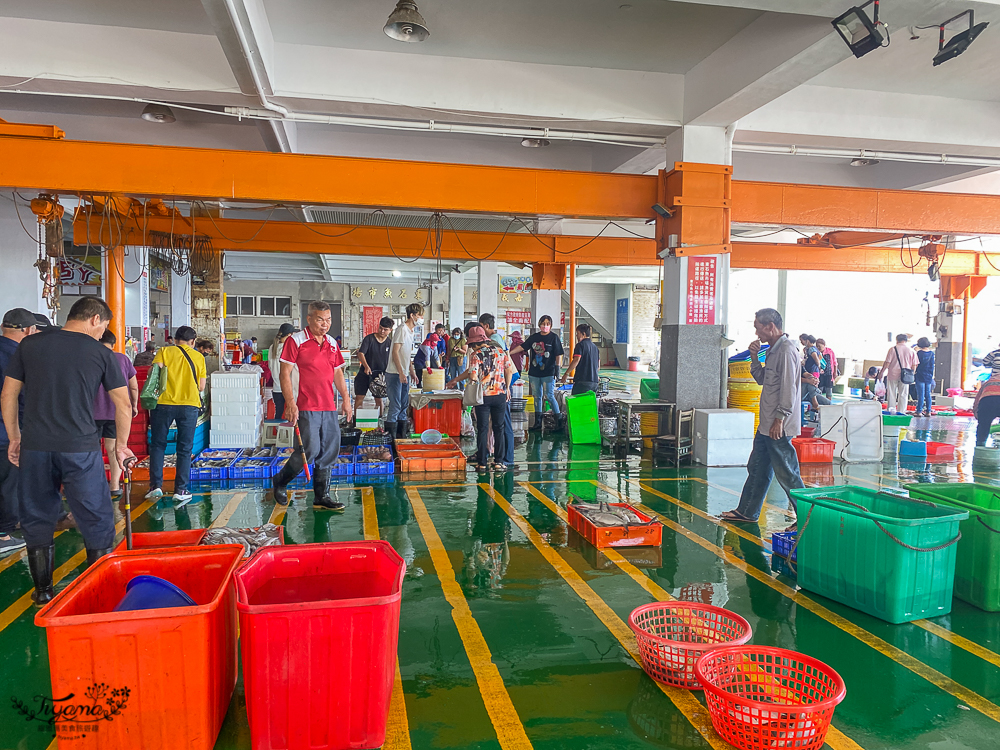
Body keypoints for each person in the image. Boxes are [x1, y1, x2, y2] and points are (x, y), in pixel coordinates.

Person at [1, 296, 134, 604]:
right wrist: (122, 447)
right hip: (80, 449)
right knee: (96, 518)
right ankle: (97, 593)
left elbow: (8, 394)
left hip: (35, 447)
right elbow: (123, 404)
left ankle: (43, 592)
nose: (102, 333)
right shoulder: (100, 353)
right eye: (104, 327)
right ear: (94, 319)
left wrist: (15, 437)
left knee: (37, 518)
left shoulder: (29, 345)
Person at [721, 308, 804, 525]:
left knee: (787, 472)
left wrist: (779, 419)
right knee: (757, 467)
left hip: (778, 425)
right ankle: (747, 511)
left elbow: (789, 390)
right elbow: (762, 379)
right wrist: (754, 357)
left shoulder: (786, 351)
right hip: (767, 423)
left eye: (758, 328)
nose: (757, 333)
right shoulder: (772, 350)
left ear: (770, 326)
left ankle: (806, 517)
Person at [271, 301, 353, 510]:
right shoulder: (296, 341)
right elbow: (285, 373)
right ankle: (280, 481)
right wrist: (290, 403)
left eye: (328, 320)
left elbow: (337, 372)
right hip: (305, 404)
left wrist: (346, 399)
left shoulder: (332, 343)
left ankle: (321, 496)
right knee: (309, 450)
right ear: (309, 319)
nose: (325, 324)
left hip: (328, 406)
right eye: (320, 319)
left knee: (329, 451)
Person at [146, 326, 206, 506]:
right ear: (193, 341)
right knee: (185, 448)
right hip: (189, 405)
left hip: (164, 404)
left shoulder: (164, 351)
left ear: (175, 338)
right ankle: (181, 490)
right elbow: (201, 386)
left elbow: (153, 374)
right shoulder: (198, 357)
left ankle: (155, 486)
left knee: (158, 445)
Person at [447, 326, 515, 472]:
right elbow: (509, 370)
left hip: (482, 397)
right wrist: (507, 387)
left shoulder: (476, 355)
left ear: (474, 343)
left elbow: (472, 375)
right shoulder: (500, 351)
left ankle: (482, 463)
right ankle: (498, 462)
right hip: (500, 395)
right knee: (499, 428)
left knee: (483, 429)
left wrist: (478, 381)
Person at [0, 309, 40, 553]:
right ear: (27, 330)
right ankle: (3, 535)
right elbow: (18, 397)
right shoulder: (19, 356)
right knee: (7, 484)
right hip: (6, 431)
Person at [94, 330, 138, 500]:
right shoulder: (122, 359)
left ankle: (96, 485)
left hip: (92, 413)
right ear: (113, 343)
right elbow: (133, 386)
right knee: (114, 449)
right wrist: (133, 405)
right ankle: (114, 486)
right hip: (116, 412)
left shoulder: (91, 359)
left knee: (93, 450)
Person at [510, 315, 564, 431]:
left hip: (549, 372)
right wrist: (510, 353)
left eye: (547, 324)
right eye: (543, 323)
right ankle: (538, 422)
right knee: (537, 396)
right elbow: (523, 347)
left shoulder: (554, 338)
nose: (545, 326)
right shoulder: (534, 337)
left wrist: (557, 369)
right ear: (539, 325)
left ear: (550, 325)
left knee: (549, 395)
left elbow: (559, 354)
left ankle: (559, 421)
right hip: (534, 373)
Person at [477, 315, 516, 466]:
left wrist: (506, 388)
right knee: (496, 424)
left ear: (486, 326)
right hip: (500, 384)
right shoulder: (495, 338)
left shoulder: (494, 341)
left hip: (502, 383)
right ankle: (491, 453)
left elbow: (505, 368)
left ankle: (507, 458)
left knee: (502, 423)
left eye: (481, 327)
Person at [385, 303, 423, 438]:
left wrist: (411, 371)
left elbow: (406, 355)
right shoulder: (402, 329)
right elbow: (395, 352)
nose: (421, 318)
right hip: (395, 374)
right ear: (412, 315)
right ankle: (391, 439)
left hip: (404, 373)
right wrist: (401, 372)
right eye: (419, 315)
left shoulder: (411, 332)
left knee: (403, 405)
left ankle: (401, 436)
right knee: (395, 405)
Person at [355, 317, 394, 416]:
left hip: (379, 377)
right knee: (360, 397)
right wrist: (366, 366)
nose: (382, 331)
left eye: (385, 329)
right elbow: (361, 354)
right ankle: (356, 421)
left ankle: (379, 421)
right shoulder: (369, 339)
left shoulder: (390, 343)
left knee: (379, 399)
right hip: (364, 374)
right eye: (380, 328)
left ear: (390, 330)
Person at [877, 334, 918, 415]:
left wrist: (881, 372)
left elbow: (887, 363)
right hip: (906, 376)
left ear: (897, 340)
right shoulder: (912, 351)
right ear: (906, 340)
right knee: (903, 394)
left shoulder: (892, 349)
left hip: (893, 374)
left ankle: (891, 411)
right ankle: (901, 412)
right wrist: (911, 374)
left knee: (891, 393)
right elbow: (914, 365)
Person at [560, 323, 600, 395]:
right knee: (588, 405)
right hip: (594, 383)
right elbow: (598, 366)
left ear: (583, 334)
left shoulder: (580, 345)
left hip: (583, 382)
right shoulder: (595, 347)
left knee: (577, 404)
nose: (576, 336)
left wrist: (566, 374)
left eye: (578, 333)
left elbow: (576, 360)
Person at [270, 323, 298, 420]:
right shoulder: (288, 349)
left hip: (276, 388)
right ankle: (290, 434)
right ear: (290, 335)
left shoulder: (271, 348)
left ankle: (278, 433)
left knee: (279, 413)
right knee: (293, 413)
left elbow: (270, 367)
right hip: (288, 388)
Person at [975, 346, 1000, 445]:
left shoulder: (994, 353)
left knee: (983, 426)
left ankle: (980, 447)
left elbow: (985, 363)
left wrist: (977, 413)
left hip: (989, 395)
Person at [915, 337, 936, 417]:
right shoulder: (931, 353)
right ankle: (928, 411)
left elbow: (917, 364)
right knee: (928, 394)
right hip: (929, 376)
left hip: (920, 375)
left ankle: (919, 411)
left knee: (921, 394)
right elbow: (932, 365)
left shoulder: (919, 353)